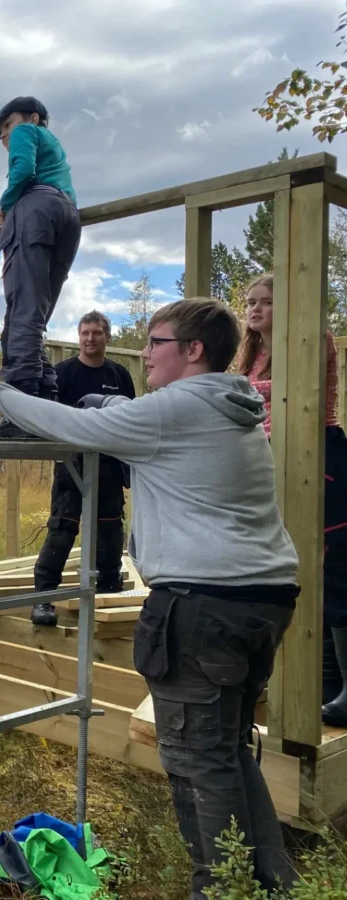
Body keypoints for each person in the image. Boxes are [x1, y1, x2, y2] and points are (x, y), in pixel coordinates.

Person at [0, 297, 299, 898]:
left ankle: (219, 890)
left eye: (156, 342)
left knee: (197, 758)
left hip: (204, 605)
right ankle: (270, 883)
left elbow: (75, 428)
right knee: (228, 751)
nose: (144, 353)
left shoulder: (174, 411)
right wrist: (116, 404)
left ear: (193, 351)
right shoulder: (228, 402)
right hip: (261, 598)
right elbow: (147, 421)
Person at [238, 273, 347, 726]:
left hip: (317, 454)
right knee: (281, 565)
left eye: (266, 302)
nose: (255, 309)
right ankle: (294, 676)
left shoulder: (310, 338)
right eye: (250, 302)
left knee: (335, 568)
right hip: (272, 460)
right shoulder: (250, 353)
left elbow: (292, 399)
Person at [0, 96, 82, 439]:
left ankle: (21, 413)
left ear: (34, 118)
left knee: (22, 311)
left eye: (7, 125)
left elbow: (23, 171)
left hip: (36, 210)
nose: (5, 136)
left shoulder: (28, 132)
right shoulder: (56, 153)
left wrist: (2, 208)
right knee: (35, 316)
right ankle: (45, 402)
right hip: (67, 216)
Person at [30, 310, 136, 626]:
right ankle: (43, 598)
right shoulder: (63, 373)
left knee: (109, 529)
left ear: (107, 337)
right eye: (85, 333)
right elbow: (51, 419)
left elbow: (131, 417)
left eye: (96, 333)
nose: (90, 339)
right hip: (72, 464)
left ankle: (108, 590)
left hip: (109, 463)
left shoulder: (119, 375)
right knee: (62, 529)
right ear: (79, 337)